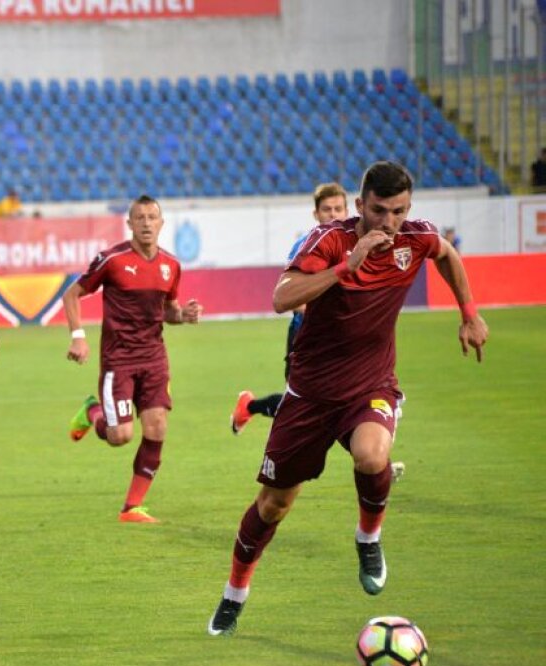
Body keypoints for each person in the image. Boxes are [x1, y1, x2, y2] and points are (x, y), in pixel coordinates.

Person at [207, 161, 489, 637]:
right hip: (310, 394)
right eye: (379, 211)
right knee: (273, 505)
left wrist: (469, 312)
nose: (389, 222)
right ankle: (234, 595)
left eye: (399, 211)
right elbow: (281, 297)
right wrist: (346, 266)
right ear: (360, 206)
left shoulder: (415, 237)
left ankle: (368, 539)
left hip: (370, 386)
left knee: (372, 454)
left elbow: (446, 254)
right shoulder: (329, 241)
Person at [62, 194, 202, 524]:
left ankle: (131, 508)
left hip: (154, 358)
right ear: (129, 224)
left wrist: (184, 316)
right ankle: (92, 411)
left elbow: (168, 312)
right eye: (140, 218)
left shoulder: (171, 265)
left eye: (152, 217)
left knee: (157, 426)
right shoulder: (111, 260)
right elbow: (72, 294)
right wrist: (78, 336)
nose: (146, 223)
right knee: (120, 436)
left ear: (161, 223)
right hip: (119, 361)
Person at [231, 182, 348, 434]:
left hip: (340, 337)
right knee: (298, 407)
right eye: (327, 209)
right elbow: (292, 299)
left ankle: (373, 457)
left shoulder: (354, 248)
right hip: (305, 336)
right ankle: (249, 407)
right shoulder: (304, 248)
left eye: (338, 209)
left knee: (341, 401)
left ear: (347, 211)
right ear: (316, 214)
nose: (333, 214)